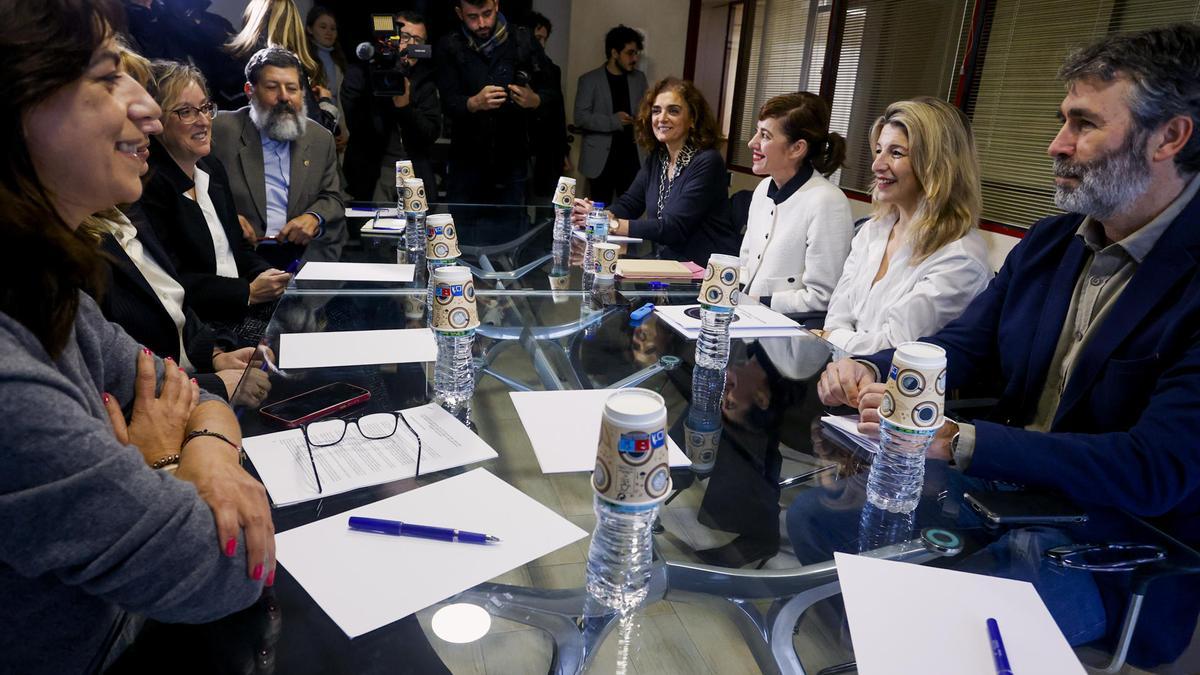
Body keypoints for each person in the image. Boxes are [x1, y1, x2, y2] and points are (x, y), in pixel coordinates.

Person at [817, 24, 1200, 667]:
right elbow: (963, 344)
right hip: (999, 495)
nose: (1057, 145)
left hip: (1110, 544)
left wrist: (966, 441)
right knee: (818, 521)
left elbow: (1154, 468)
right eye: (1061, 121)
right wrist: (867, 365)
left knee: (922, 614)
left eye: (1083, 124)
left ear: (1170, 137)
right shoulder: (1052, 242)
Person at [0, 2, 274, 672]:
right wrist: (161, 466)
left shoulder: (47, 288)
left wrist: (202, 444)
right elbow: (230, 568)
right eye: (105, 77)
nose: (146, 110)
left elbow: (191, 392)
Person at [87, 48, 268, 403]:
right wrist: (215, 384)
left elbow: (173, 302)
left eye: (204, 108)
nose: (150, 124)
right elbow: (116, 382)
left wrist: (214, 356)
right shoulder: (144, 193)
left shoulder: (125, 210)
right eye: (185, 111)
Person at [812, 97, 992, 353]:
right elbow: (838, 314)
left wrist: (830, 337)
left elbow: (896, 346)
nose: (877, 165)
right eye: (878, 150)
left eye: (896, 153)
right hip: (840, 370)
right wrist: (832, 338)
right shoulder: (872, 230)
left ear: (936, 166)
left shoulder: (960, 258)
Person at [140, 60, 291, 323]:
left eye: (205, 108)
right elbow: (169, 281)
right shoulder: (149, 186)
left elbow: (237, 251)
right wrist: (248, 292)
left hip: (237, 314)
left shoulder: (211, 168)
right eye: (186, 112)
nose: (202, 121)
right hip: (197, 328)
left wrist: (272, 276)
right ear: (157, 121)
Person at [573, 76, 739, 263]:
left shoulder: (708, 161)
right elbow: (629, 204)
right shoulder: (657, 159)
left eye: (673, 111)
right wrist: (592, 215)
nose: (662, 118)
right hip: (667, 265)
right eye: (656, 111)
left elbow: (673, 228)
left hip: (706, 273)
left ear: (692, 119)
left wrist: (609, 224)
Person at [211, 46, 347, 269]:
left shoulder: (320, 139)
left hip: (301, 257)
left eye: (292, 88)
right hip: (238, 259)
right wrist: (224, 218)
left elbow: (333, 197)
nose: (284, 97)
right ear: (250, 90)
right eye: (272, 87)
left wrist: (314, 217)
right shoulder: (219, 131)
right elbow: (191, 191)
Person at [740, 92, 853, 314]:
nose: (752, 143)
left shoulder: (828, 201)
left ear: (797, 148)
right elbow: (746, 265)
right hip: (747, 319)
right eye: (757, 132)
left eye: (765, 135)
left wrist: (760, 301)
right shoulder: (763, 189)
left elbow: (823, 296)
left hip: (787, 335)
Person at [435, 0, 555, 208]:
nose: (482, 23)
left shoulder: (522, 38)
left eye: (487, 13)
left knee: (511, 232)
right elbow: (446, 102)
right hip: (466, 162)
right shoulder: (449, 45)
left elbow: (552, 91)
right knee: (461, 233)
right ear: (459, 13)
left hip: (512, 160)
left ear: (497, 5)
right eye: (473, 17)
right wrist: (473, 103)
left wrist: (535, 100)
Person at [339, 11, 441, 203]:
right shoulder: (361, 72)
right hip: (370, 173)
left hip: (413, 174)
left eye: (418, 40)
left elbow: (430, 133)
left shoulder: (425, 80)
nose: (410, 44)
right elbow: (356, 125)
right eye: (404, 37)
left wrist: (405, 108)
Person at [225, 0, 340, 137]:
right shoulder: (285, 65)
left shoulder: (231, 56)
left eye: (291, 88)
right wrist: (325, 102)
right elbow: (317, 129)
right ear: (291, 23)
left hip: (234, 145)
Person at [574, 24, 648, 205]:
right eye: (630, 53)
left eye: (637, 53)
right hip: (601, 161)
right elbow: (581, 117)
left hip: (632, 158)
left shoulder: (639, 79)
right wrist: (613, 121)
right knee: (598, 213)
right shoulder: (589, 80)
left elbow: (646, 111)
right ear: (614, 53)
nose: (635, 58)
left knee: (630, 212)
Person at [526, 10, 569, 200]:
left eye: (544, 39)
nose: (541, 44)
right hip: (519, 147)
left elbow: (558, 114)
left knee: (546, 205)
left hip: (546, 148)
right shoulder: (510, 65)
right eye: (537, 38)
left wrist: (563, 152)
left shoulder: (551, 69)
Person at [305, 5, 349, 156]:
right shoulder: (305, 59)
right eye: (323, 27)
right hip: (314, 130)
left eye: (333, 28)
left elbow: (339, 101)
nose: (329, 32)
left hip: (337, 128)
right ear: (310, 29)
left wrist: (343, 130)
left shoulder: (339, 61)